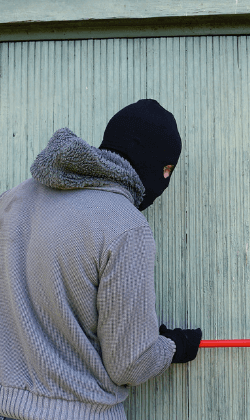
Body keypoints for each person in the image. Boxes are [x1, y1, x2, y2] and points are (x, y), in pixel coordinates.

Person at [0, 99, 202, 420]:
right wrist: (174, 346)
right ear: (143, 156)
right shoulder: (124, 224)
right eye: (166, 169)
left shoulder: (9, 202)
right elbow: (131, 363)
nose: (165, 181)